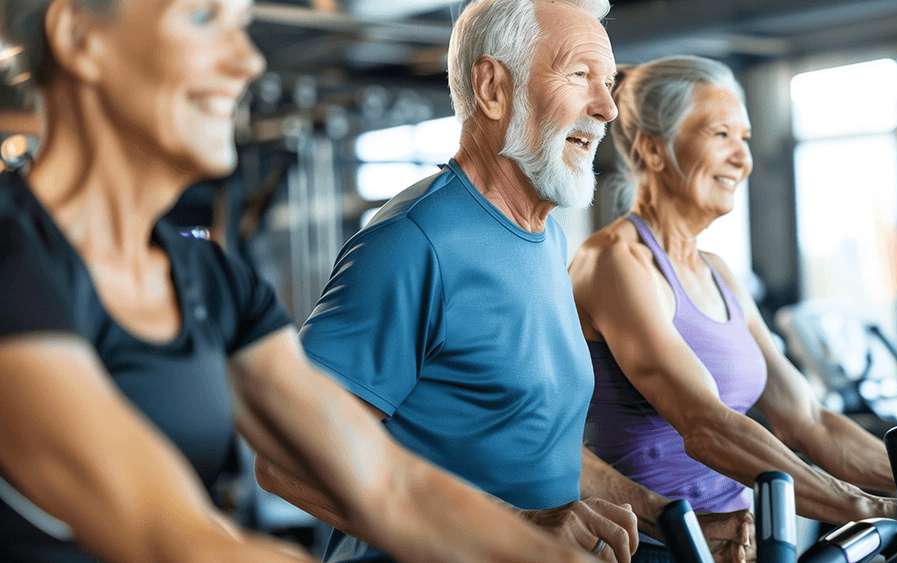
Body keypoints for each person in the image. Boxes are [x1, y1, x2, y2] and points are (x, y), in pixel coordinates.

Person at [0, 0, 615, 561]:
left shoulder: (208, 280)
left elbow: (386, 483)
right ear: (80, 36)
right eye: (201, 18)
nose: (247, 61)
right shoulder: (13, 258)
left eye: (241, 26)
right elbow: (170, 536)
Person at [262, 1, 752, 562]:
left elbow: (543, 446)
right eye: (578, 76)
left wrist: (670, 519)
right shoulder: (414, 242)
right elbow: (286, 458)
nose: (609, 109)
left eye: (609, 82)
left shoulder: (547, 240)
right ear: (493, 87)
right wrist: (517, 526)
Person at [570, 54, 897, 562]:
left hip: (738, 546)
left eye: (744, 139)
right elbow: (705, 424)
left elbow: (807, 417)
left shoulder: (719, 272)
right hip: (654, 546)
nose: (742, 158)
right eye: (721, 134)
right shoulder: (616, 261)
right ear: (654, 149)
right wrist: (864, 506)